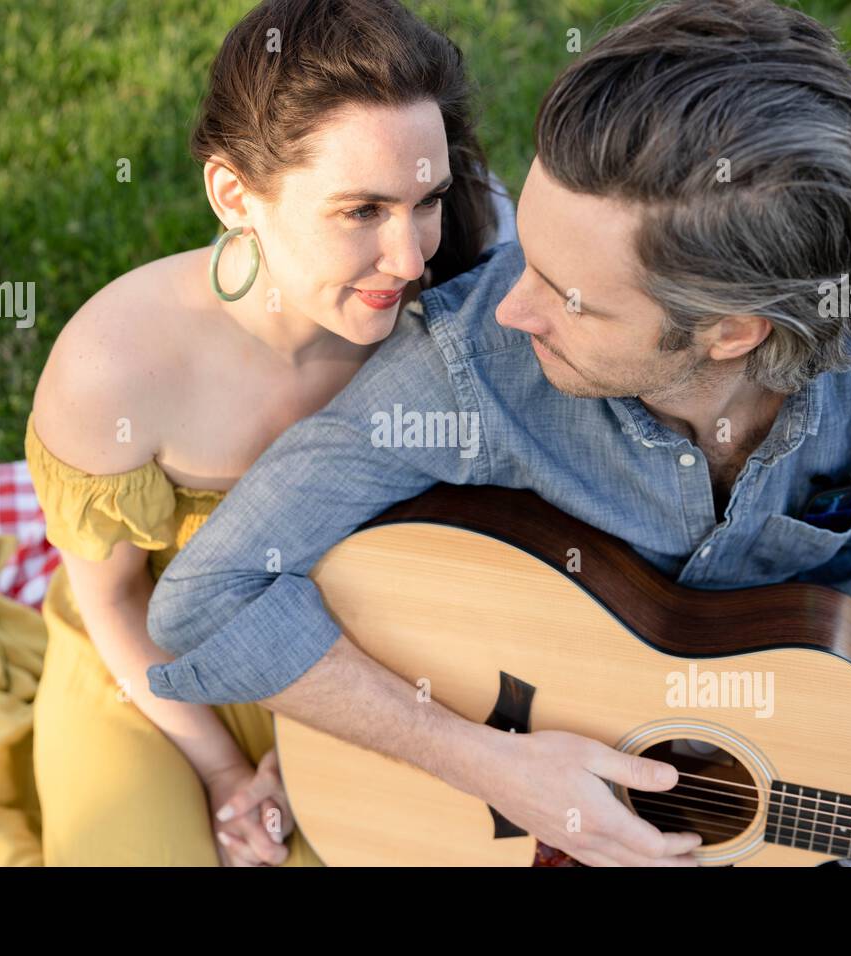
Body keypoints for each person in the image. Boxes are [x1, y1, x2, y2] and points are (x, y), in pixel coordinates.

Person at [142, 0, 851, 868]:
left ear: (733, 332)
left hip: (813, 661)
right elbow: (209, 596)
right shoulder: (467, 369)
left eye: (569, 296)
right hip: (563, 723)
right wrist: (490, 765)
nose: (511, 307)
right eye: (531, 252)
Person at [26, 0, 514, 866]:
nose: (410, 260)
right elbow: (113, 599)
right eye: (361, 211)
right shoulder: (114, 369)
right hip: (161, 671)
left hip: (369, 656)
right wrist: (223, 772)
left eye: (427, 200)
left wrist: (327, 732)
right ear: (233, 195)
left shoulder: (451, 297)